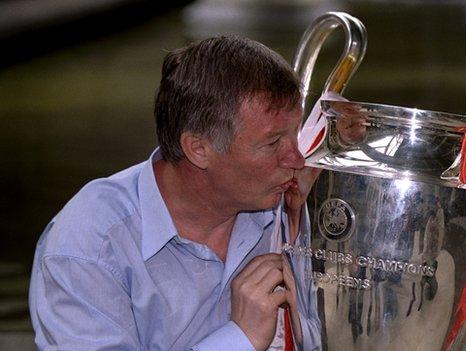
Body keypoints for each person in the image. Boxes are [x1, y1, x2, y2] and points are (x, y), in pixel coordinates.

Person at [29, 35, 321, 350]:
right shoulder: (88, 246)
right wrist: (240, 339)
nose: (297, 160)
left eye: (295, 134)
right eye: (272, 143)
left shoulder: (282, 203)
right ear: (198, 149)